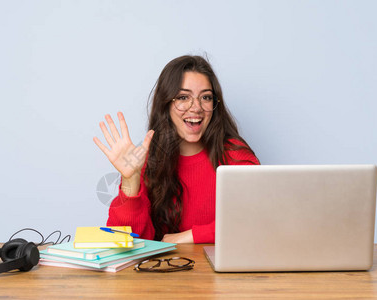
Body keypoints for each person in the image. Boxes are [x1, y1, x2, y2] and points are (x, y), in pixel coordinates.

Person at [93, 55, 259, 244]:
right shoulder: (148, 160)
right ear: (166, 105)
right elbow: (123, 242)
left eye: (205, 97)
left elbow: (256, 220)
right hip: (166, 271)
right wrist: (130, 181)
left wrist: (189, 237)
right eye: (183, 97)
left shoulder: (236, 156)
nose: (196, 107)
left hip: (224, 272)